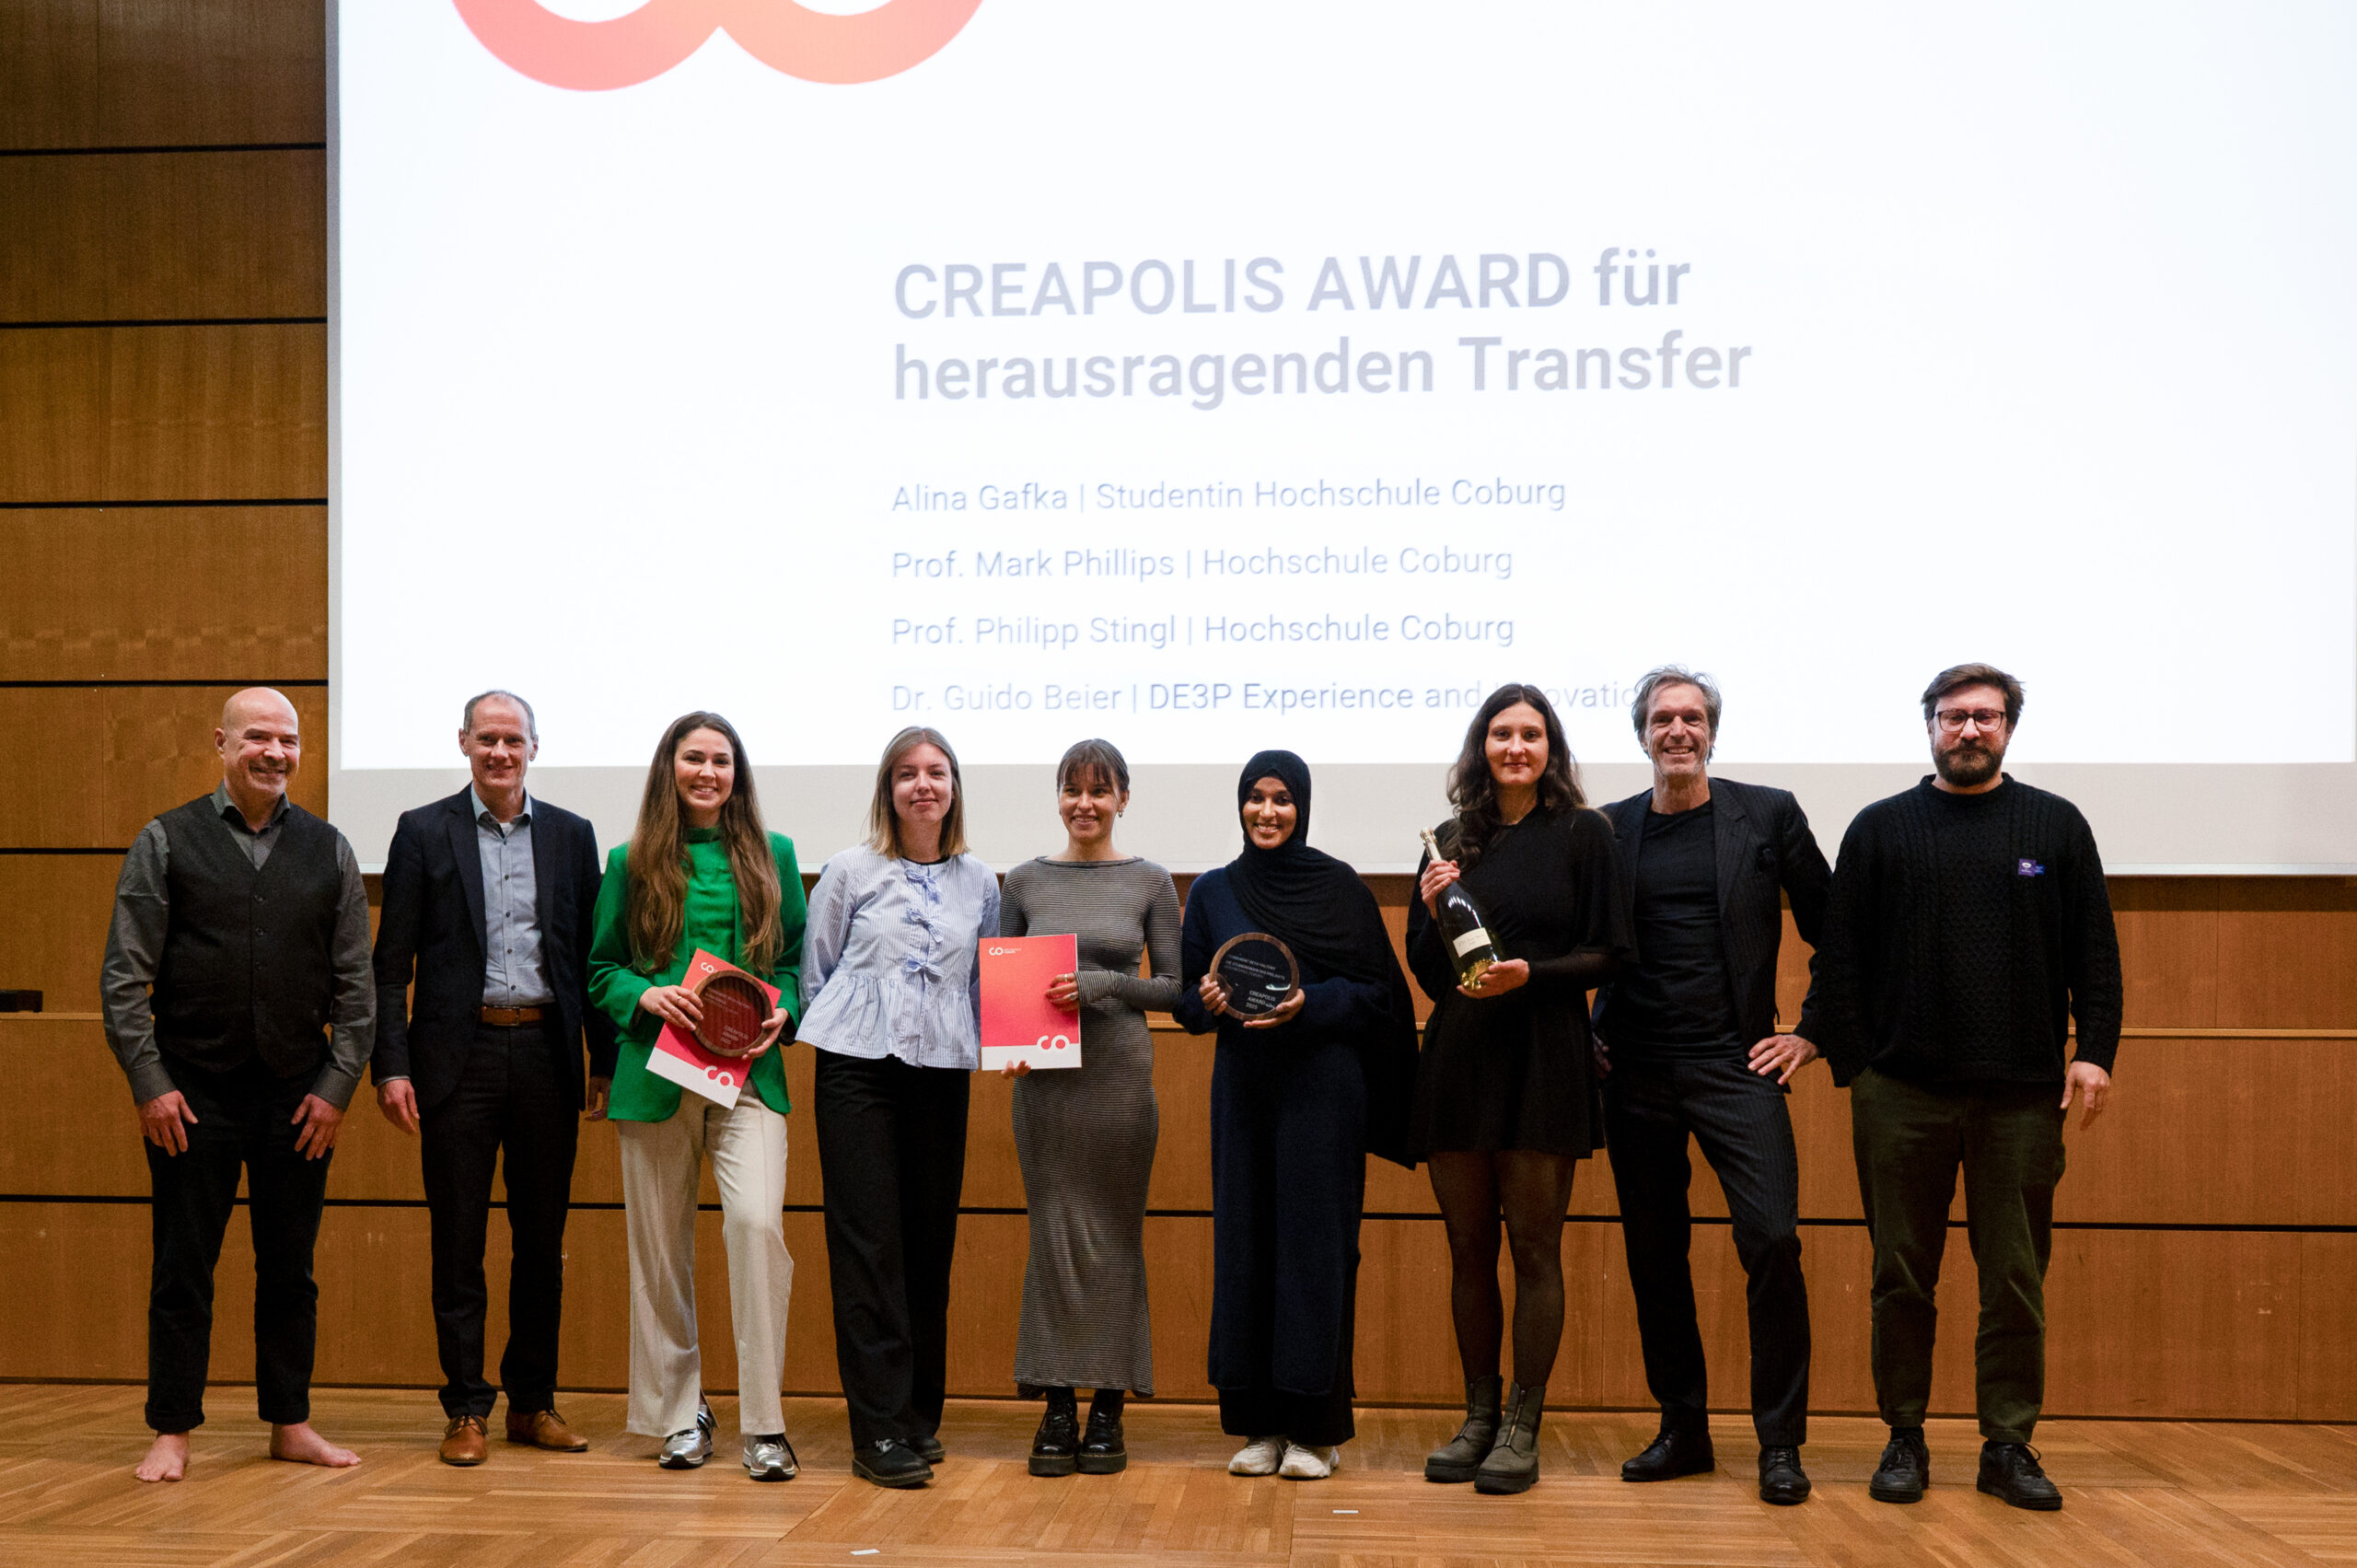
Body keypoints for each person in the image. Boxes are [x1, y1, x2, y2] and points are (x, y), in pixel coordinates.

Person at [1815, 664, 2121, 1512]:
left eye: (1986, 717)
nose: (1969, 731)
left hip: (2023, 1099)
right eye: (1954, 717)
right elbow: (1839, 957)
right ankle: (1903, 1435)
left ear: (2010, 729)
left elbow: (2094, 950)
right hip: (1901, 1094)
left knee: (2015, 1277)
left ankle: (2007, 1443)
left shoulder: (2055, 825)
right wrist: (1859, 1068)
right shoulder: (1880, 829)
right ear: (1930, 728)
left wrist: (2094, 1051)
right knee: (1900, 1275)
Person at [99, 687, 373, 1483]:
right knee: (183, 1265)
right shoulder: (166, 840)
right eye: (258, 737)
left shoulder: (331, 849)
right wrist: (150, 1084)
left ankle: (290, 1420)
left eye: (288, 740)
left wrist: (336, 1087)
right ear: (222, 742)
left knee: (291, 1267)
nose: (275, 753)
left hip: (300, 1097)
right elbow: (124, 980)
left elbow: (357, 986)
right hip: (190, 1097)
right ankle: (173, 1428)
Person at [1589, 668, 1831, 1504]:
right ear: (1643, 734)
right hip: (1634, 1071)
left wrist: (1810, 1032)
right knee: (1656, 1256)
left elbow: (1839, 931)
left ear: (1712, 732)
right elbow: (1575, 941)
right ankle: (1683, 1427)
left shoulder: (1767, 815)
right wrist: (1583, 1036)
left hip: (1737, 1065)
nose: (1678, 730)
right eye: (1663, 718)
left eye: (1692, 717)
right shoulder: (1609, 829)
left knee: (1772, 1240)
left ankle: (1779, 1440)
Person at [369, 690, 616, 1465]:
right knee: (459, 1241)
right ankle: (466, 1408)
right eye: (487, 740)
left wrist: (602, 1059)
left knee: (542, 1243)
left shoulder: (574, 836)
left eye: (513, 739)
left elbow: (591, 959)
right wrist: (392, 1066)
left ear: (534, 747)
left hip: (546, 1054)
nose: (500, 753)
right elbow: (390, 966)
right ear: (464, 744)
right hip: (456, 1059)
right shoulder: (421, 831)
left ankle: (532, 1402)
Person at [1173, 749, 1420, 1482]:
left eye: (1282, 798)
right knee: (1246, 1245)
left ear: (1302, 806)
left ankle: (1316, 1429)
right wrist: (1206, 1001)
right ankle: (1259, 1423)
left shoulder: (1338, 886)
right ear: (1241, 805)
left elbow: (1380, 995)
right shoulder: (1215, 890)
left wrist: (1314, 1002)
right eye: (1255, 798)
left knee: (1315, 1249)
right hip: (1243, 1088)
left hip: (1323, 1087)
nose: (1268, 811)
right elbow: (1189, 997)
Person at [1408, 685, 1630, 1495]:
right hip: (1460, 1059)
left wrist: (1531, 973)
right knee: (1468, 1248)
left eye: (1531, 734)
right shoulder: (1447, 841)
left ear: (1551, 747)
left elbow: (1611, 954)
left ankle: (1522, 1425)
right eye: (1501, 733)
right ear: (1481, 745)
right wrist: (1433, 912)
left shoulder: (1586, 833)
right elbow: (1433, 975)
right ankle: (1477, 1415)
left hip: (1545, 1055)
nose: (1516, 747)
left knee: (1534, 1248)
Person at [586, 712, 806, 1481]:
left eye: (721, 760)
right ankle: (682, 1414)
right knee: (659, 1255)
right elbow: (601, 968)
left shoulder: (774, 856)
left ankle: (766, 1425)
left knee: (754, 1228)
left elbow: (793, 967)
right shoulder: (630, 859)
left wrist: (785, 1009)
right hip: (655, 1077)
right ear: (669, 768)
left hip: (749, 1077)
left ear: (737, 774)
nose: (708, 771)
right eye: (694, 758)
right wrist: (642, 997)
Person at [798, 726, 999, 1489]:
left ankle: (918, 1415)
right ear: (888, 789)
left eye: (937, 772)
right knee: (868, 1244)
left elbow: (988, 987)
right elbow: (817, 972)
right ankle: (877, 1430)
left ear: (953, 788)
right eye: (907, 773)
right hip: (858, 1069)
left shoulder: (982, 882)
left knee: (926, 1243)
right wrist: (859, 1029)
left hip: (941, 1071)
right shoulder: (851, 870)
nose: (923, 785)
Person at [997, 738, 1183, 1477]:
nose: (1085, 803)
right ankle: (1056, 1403)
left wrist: (1104, 984)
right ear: (1059, 797)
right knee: (1050, 1234)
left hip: (1116, 1075)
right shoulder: (1023, 881)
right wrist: (1004, 1035)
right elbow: (1001, 980)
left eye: (1099, 791)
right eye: (1072, 789)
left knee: (1112, 1233)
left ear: (1123, 799)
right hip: (1044, 1084)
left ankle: (1108, 1402)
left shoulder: (1152, 881)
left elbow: (1172, 986)